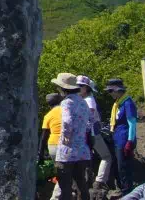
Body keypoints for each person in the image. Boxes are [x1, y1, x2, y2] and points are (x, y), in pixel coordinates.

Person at [52, 72, 92, 200]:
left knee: (65, 186)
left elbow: (67, 121)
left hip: (67, 152)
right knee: (81, 183)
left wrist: (66, 136)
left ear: (63, 88)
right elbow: (89, 124)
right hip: (81, 149)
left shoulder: (66, 102)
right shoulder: (83, 102)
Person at [76, 75, 113, 190]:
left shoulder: (84, 100)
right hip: (92, 133)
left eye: (80, 86)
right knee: (106, 156)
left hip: (86, 133)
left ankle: (91, 182)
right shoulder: (89, 100)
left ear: (86, 88)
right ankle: (100, 181)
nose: (78, 88)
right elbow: (90, 119)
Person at [106, 78, 138, 194]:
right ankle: (124, 190)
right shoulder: (118, 103)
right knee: (119, 168)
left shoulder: (127, 103)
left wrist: (130, 141)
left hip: (124, 140)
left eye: (110, 91)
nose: (109, 94)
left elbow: (132, 123)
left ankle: (128, 192)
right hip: (117, 138)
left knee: (124, 168)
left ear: (118, 90)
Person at [37, 93, 63, 200]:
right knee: (65, 175)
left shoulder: (48, 115)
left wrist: (40, 154)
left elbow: (44, 137)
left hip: (52, 146)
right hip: (63, 145)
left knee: (61, 172)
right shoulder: (64, 110)